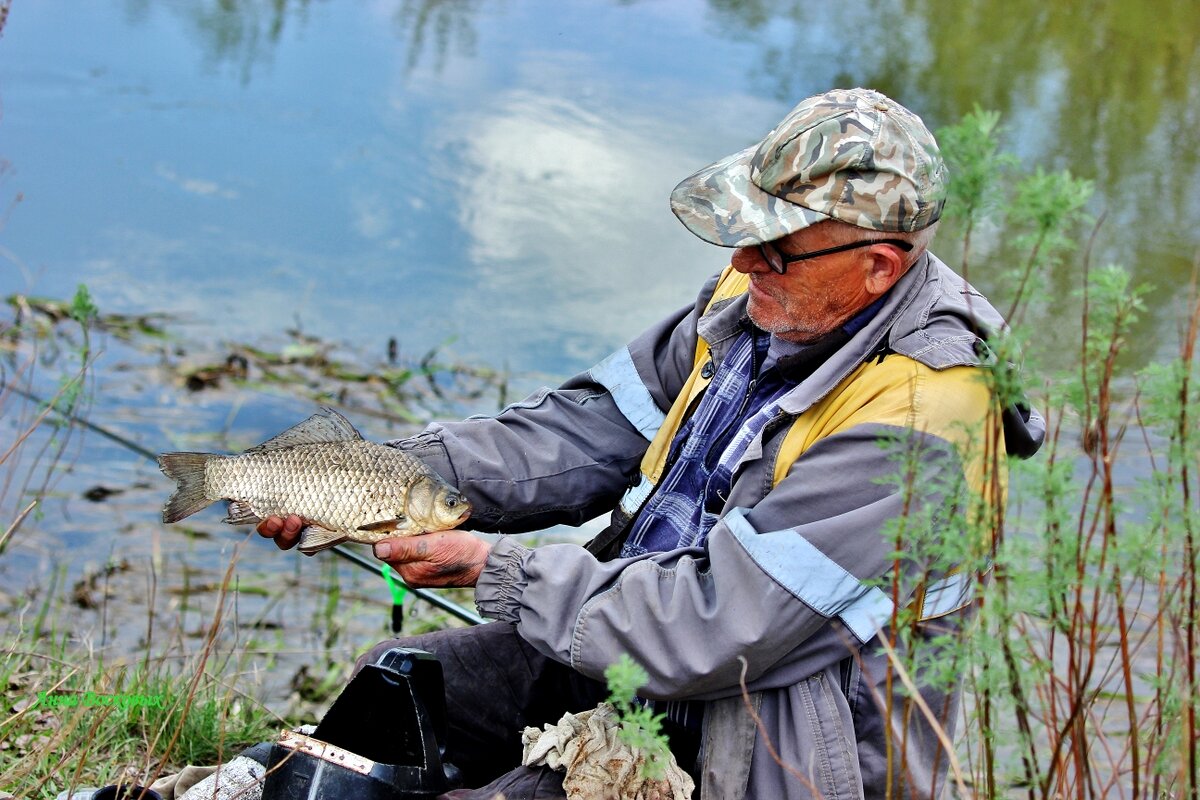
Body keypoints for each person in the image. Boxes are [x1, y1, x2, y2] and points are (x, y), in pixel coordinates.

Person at [259, 86, 1045, 799]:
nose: (741, 261)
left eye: (775, 248)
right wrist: (385, 476)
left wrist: (503, 572)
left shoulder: (922, 418)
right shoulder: (763, 295)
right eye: (751, 231)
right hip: (625, 629)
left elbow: (712, 627)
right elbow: (581, 430)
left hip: (763, 732)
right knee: (398, 689)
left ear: (877, 267)